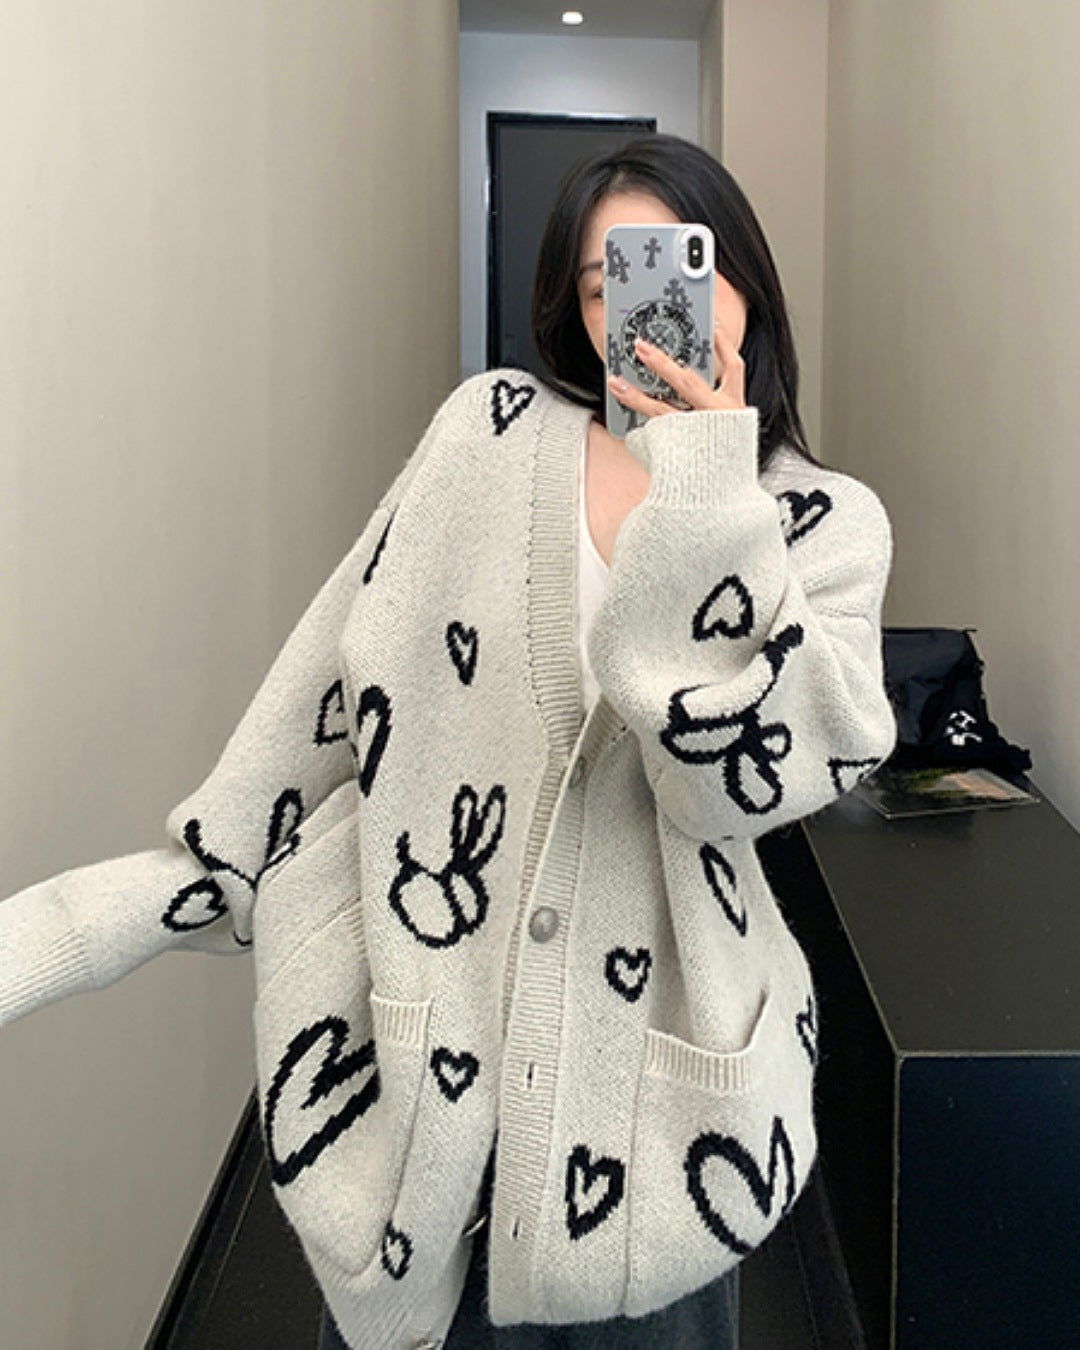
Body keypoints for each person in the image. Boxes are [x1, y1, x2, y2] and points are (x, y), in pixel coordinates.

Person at [0, 135, 896, 1350]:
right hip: (427, 1108)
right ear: (574, 311)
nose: (643, 310)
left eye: (681, 267)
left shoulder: (827, 526)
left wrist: (704, 480)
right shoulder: (490, 435)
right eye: (605, 284)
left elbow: (727, 787)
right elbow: (330, 680)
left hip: (658, 1130)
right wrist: (138, 898)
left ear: (744, 285)